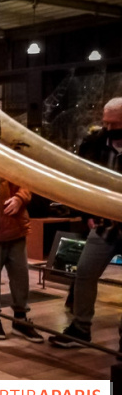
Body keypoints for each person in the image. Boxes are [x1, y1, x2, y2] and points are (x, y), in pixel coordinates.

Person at [50, 97, 122, 348]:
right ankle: (80, 328)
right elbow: (82, 181)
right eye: (107, 123)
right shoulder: (94, 143)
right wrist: (86, 215)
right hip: (104, 226)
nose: (111, 129)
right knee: (84, 273)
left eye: (117, 123)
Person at [0, 180, 44, 343]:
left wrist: (20, 198)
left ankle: (20, 318)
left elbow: (25, 181)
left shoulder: (12, 159)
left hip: (16, 228)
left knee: (21, 276)